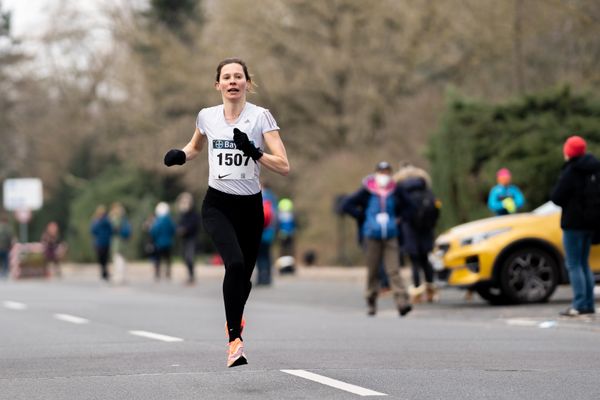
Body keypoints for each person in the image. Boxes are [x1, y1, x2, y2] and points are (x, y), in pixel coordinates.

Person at [163, 58, 289, 367]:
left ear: (248, 82)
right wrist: (181, 155)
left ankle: (235, 318)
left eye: (238, 77)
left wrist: (254, 152)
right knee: (233, 264)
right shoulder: (207, 116)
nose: (233, 81)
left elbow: (284, 165)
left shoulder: (261, 117)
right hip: (217, 204)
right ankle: (235, 340)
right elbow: (195, 147)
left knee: (243, 279)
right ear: (218, 84)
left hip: (250, 207)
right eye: (226, 77)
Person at [342, 161, 412, 317]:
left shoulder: (396, 190)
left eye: (387, 172)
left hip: (391, 235)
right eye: (381, 172)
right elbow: (346, 205)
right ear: (376, 173)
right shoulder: (367, 191)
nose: (384, 175)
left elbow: (410, 207)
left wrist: (399, 219)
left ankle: (402, 302)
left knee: (393, 270)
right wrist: (362, 217)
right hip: (371, 235)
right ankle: (371, 300)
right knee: (373, 270)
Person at [551, 135, 600, 316]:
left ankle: (579, 304)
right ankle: (588, 304)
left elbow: (556, 197)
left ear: (569, 151)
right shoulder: (595, 169)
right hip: (591, 224)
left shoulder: (572, 170)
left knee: (573, 264)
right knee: (584, 263)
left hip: (573, 224)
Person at [394, 163, 441, 303]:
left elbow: (398, 211)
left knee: (415, 262)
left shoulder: (401, 190)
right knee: (426, 260)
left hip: (410, 231)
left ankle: (417, 292)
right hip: (426, 230)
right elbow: (436, 209)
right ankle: (431, 290)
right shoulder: (426, 189)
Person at [176, 192, 201, 285]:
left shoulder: (194, 214)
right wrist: (179, 229)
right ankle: (190, 276)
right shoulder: (182, 214)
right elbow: (179, 224)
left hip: (192, 239)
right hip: (184, 239)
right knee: (185, 258)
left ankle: (191, 276)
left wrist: (186, 229)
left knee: (189, 257)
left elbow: (195, 225)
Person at [150, 202, 177, 281]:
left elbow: (154, 231)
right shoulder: (169, 220)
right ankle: (168, 273)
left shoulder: (158, 221)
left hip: (159, 243)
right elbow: (173, 230)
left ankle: (157, 274)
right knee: (167, 259)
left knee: (158, 259)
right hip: (168, 243)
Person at [109, 202, 131, 285]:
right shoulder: (124, 219)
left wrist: (111, 219)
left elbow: (113, 229)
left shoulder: (116, 219)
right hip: (123, 242)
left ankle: (119, 277)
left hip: (118, 243)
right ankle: (122, 276)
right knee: (121, 260)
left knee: (118, 260)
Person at [90, 205, 113, 281]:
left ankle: (105, 272)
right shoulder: (97, 221)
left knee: (105, 258)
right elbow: (93, 231)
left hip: (105, 242)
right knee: (101, 259)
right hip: (99, 243)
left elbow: (110, 230)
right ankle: (103, 272)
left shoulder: (105, 221)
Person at [0, 214, 14, 279]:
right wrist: (10, 246)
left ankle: (1, 273)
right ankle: (5, 273)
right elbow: (10, 238)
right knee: (5, 261)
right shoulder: (8, 228)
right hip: (5, 247)